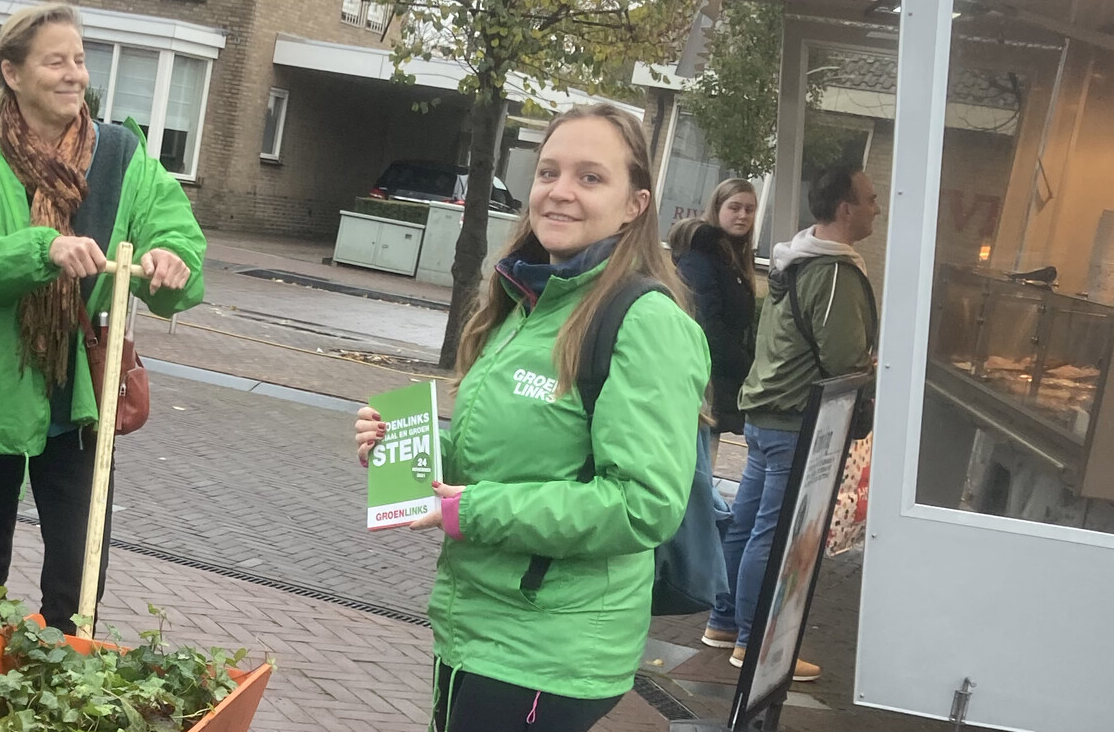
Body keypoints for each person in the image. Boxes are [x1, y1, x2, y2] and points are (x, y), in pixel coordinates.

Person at [354, 104, 709, 732]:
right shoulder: (524, 302)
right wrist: (408, 451)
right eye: (548, 172)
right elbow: (511, 456)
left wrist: (472, 511)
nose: (560, 192)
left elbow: (643, 505)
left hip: (550, 648)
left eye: (591, 178)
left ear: (636, 205)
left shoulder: (646, 322)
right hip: (477, 628)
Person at [0, 2, 205, 643]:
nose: (73, 74)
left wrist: (171, 257)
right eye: (56, 61)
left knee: (79, 579)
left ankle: (60, 695)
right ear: (13, 73)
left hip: (80, 399)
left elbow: (174, 229)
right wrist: (43, 248)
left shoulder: (119, 155)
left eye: (79, 60)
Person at [701, 166, 880, 679]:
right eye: (870, 199)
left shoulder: (794, 259)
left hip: (765, 411)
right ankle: (757, 644)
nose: (876, 208)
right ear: (846, 209)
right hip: (793, 419)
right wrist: (869, 363)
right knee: (772, 532)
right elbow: (844, 353)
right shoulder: (836, 272)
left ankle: (724, 622)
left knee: (745, 521)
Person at [671, 177, 761, 435]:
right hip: (702, 383)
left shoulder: (730, 259)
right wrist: (747, 368)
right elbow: (707, 327)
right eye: (734, 207)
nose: (743, 215)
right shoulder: (700, 258)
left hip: (720, 381)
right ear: (717, 208)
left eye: (750, 209)